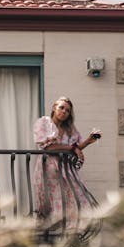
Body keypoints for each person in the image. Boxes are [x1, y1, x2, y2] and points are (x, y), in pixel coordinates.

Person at [32, 97, 101, 230]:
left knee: (75, 197)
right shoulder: (45, 123)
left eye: (68, 111)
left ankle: (72, 229)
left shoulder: (70, 129)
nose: (64, 112)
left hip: (65, 168)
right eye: (61, 108)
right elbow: (48, 147)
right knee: (54, 200)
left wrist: (88, 141)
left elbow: (75, 148)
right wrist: (72, 148)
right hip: (48, 168)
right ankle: (53, 227)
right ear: (54, 107)